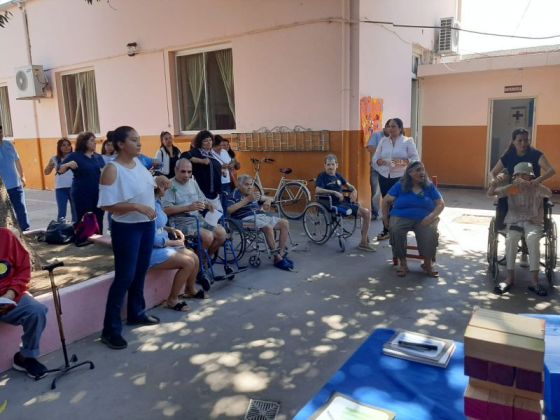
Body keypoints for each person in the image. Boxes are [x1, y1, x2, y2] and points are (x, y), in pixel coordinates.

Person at [98, 126, 158, 350]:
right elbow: (106, 205)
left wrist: (159, 186)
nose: (139, 144)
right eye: (134, 140)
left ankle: (136, 312)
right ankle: (110, 330)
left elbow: (145, 192)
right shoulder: (111, 169)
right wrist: (135, 206)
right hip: (127, 229)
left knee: (141, 271)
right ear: (121, 144)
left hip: (147, 226)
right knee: (125, 276)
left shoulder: (140, 164)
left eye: (139, 139)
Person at [489, 128, 556, 267]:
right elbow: (493, 172)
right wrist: (495, 181)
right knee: (507, 212)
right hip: (514, 192)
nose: (523, 143)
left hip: (533, 192)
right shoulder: (509, 155)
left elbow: (551, 170)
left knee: (531, 218)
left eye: (526, 140)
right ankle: (511, 251)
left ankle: (527, 250)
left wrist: (538, 180)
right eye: (519, 140)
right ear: (513, 142)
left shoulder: (536, 154)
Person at [487, 162, 552, 297]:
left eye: (525, 175)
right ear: (515, 176)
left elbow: (549, 193)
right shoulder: (513, 189)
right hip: (515, 220)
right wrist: (494, 183)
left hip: (533, 221)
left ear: (530, 176)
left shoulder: (536, 188)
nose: (522, 178)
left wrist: (536, 184)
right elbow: (491, 193)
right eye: (519, 175)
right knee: (511, 239)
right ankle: (509, 279)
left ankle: (534, 281)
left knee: (533, 239)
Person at [162, 159, 226, 289]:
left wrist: (208, 204)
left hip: (198, 219)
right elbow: (165, 210)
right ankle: (198, 268)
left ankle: (202, 264)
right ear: (175, 170)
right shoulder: (170, 185)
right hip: (180, 222)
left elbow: (201, 199)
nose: (186, 175)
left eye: (189, 172)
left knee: (221, 234)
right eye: (183, 172)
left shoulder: (192, 182)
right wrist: (187, 207)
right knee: (208, 237)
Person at [150, 175, 203, 312]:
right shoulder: (148, 206)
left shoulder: (156, 202)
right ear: (159, 188)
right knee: (188, 262)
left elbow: (158, 225)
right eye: (165, 188)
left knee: (194, 257)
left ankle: (190, 289)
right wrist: (172, 243)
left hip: (164, 244)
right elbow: (150, 238)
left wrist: (170, 229)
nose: (167, 191)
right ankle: (172, 299)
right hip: (152, 249)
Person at [0, 228, 48, 379]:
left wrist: (11, 293)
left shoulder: (5, 236)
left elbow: (24, 268)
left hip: (9, 296)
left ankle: (25, 357)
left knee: (36, 311)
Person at [383, 161, 444, 278]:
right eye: (418, 170)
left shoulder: (429, 186)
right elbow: (386, 201)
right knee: (396, 230)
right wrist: (385, 218)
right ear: (410, 173)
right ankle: (403, 263)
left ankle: (427, 264)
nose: (422, 172)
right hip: (401, 215)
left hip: (424, 217)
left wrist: (431, 217)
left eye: (423, 169)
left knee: (430, 231)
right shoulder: (400, 185)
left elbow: (440, 204)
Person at [227, 174, 295, 271]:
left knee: (284, 223)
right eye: (247, 184)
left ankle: (281, 253)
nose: (250, 187)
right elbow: (229, 210)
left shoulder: (254, 194)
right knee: (267, 227)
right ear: (239, 185)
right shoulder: (234, 195)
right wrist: (247, 200)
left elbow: (270, 198)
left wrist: (268, 201)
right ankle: (277, 258)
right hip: (244, 222)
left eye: (251, 184)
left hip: (260, 217)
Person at [315, 154, 376, 252]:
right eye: (328, 165)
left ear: (337, 165)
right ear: (324, 165)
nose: (330, 167)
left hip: (343, 202)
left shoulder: (338, 176)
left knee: (367, 213)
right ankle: (364, 242)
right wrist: (334, 192)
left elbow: (348, 185)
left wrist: (354, 190)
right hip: (330, 204)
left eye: (332, 164)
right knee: (364, 212)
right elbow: (317, 190)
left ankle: (363, 242)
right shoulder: (322, 176)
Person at [373, 118, 419, 240]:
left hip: (399, 177)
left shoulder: (407, 141)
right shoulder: (383, 141)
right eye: (389, 126)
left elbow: (416, 160)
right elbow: (375, 158)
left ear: (400, 128)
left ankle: (398, 230)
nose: (391, 129)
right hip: (384, 176)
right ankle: (386, 230)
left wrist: (404, 162)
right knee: (386, 203)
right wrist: (379, 161)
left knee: (397, 203)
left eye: (393, 126)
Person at [59, 132, 105, 231]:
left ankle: (98, 239)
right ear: (84, 142)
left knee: (99, 217)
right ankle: (83, 239)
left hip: (98, 193)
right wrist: (67, 164)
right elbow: (60, 170)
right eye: (92, 140)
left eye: (94, 140)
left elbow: (104, 172)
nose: (95, 143)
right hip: (81, 193)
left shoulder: (98, 157)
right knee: (84, 218)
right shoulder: (75, 156)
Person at [181, 130, 222, 210]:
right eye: (205, 141)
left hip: (214, 193)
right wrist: (201, 161)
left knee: (217, 216)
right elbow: (183, 156)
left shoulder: (211, 153)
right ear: (200, 142)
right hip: (202, 192)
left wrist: (221, 170)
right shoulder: (196, 152)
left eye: (210, 140)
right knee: (208, 217)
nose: (209, 142)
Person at [0, 125, 30, 231]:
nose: (0, 135)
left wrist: (22, 176)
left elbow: (17, 161)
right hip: (2, 189)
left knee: (21, 209)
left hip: (15, 185)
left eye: (1, 133)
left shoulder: (9, 144)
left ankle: (25, 231)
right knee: (4, 213)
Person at [43, 138, 77, 222]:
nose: (67, 147)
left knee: (75, 211)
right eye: (64, 145)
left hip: (74, 187)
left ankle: (77, 229)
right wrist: (50, 166)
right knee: (62, 212)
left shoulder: (75, 157)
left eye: (68, 145)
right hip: (60, 188)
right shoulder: (54, 158)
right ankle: (60, 230)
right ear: (59, 147)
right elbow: (46, 172)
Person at [366, 121, 390, 220]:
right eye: (390, 128)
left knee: (388, 192)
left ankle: (388, 213)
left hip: (389, 170)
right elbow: (370, 148)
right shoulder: (376, 135)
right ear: (385, 127)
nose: (392, 131)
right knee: (376, 192)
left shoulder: (394, 137)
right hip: (376, 169)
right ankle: (375, 213)